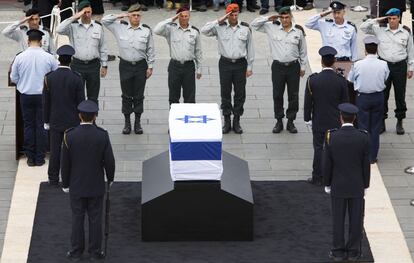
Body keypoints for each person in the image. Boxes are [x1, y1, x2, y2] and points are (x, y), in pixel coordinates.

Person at [61, 100, 115, 261]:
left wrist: (65, 184)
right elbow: (109, 161)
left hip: (77, 185)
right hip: (95, 185)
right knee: (95, 219)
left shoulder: (69, 136)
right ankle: (95, 252)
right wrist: (110, 178)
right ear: (95, 116)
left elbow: (65, 163)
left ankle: (76, 251)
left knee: (77, 218)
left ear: (79, 115)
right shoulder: (102, 135)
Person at [323, 103, 370, 262]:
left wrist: (327, 183)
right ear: (355, 118)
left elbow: (327, 163)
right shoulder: (363, 136)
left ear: (340, 117)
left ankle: (337, 251)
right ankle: (354, 252)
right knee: (356, 220)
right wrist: (366, 185)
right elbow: (366, 164)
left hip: (338, 184)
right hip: (356, 185)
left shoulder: (331, 136)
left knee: (338, 220)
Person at [251, 7, 307, 134]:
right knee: (277, 94)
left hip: (293, 66)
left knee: (293, 95)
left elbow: (303, 50)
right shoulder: (272, 27)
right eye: (282, 17)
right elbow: (254, 25)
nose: (284, 20)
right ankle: (279, 120)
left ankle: (291, 121)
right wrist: (268, 18)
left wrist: (303, 67)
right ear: (279, 17)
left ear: (291, 17)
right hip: (278, 67)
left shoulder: (298, 31)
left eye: (287, 17)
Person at [201, 3, 254, 134]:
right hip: (225, 63)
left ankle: (236, 120)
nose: (234, 17)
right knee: (225, 92)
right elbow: (204, 30)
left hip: (240, 64)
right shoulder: (220, 27)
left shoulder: (245, 28)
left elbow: (250, 48)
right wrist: (219, 20)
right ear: (227, 15)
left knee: (240, 93)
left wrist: (250, 66)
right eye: (232, 15)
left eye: (236, 14)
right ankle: (226, 120)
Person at [102, 4, 155, 135]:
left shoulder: (146, 30)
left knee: (138, 95)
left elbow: (151, 50)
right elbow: (104, 20)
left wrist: (150, 67)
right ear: (129, 16)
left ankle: (137, 122)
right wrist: (122, 15)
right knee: (126, 95)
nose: (136, 18)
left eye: (138, 15)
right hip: (125, 65)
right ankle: (127, 123)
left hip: (140, 65)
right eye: (133, 15)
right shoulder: (120, 27)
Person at [360, 8, 414, 135]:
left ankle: (399, 121)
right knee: (383, 95)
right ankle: (382, 122)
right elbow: (363, 27)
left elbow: (411, 51)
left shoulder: (405, 32)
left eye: (394, 18)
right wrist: (378, 19)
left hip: (400, 66)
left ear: (399, 18)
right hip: (384, 66)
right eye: (389, 18)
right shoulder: (380, 30)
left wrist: (410, 68)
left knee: (400, 95)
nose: (392, 21)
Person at [10, 29, 58, 166]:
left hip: (26, 95)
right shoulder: (49, 57)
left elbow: (13, 78)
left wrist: (23, 84)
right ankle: (40, 157)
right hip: (43, 96)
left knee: (28, 126)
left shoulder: (20, 57)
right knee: (41, 125)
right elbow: (55, 75)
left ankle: (30, 157)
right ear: (42, 42)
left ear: (28, 41)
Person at [303, 46, 348, 186]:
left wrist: (307, 119)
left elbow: (308, 102)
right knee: (334, 150)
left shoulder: (313, 80)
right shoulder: (340, 81)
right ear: (334, 61)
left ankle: (317, 177)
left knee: (318, 148)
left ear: (322, 62)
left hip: (318, 120)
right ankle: (333, 176)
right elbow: (345, 103)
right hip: (335, 121)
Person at [42, 45, 85, 186]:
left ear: (59, 60)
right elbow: (81, 103)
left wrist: (46, 120)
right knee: (72, 151)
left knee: (55, 151)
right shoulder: (77, 78)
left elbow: (46, 102)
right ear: (71, 60)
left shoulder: (49, 78)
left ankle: (53, 178)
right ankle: (71, 177)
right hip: (72, 121)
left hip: (55, 120)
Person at [56, 0, 108, 104]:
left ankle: (92, 119)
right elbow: (59, 29)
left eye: (89, 12)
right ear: (79, 13)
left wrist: (104, 65)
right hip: (77, 64)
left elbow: (103, 47)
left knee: (93, 96)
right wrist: (75, 17)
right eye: (85, 12)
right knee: (77, 95)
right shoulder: (73, 26)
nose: (87, 15)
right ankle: (77, 119)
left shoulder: (98, 26)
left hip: (93, 65)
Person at [347, 36, 389, 164]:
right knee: (375, 127)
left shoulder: (358, 64)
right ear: (376, 49)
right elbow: (385, 78)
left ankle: (363, 154)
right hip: (378, 97)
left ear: (365, 50)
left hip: (363, 97)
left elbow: (350, 79)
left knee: (363, 127)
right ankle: (372, 156)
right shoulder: (384, 64)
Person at [154, 7, 203, 106]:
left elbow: (198, 51)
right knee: (173, 97)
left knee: (190, 97)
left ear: (189, 16)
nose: (184, 18)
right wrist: (172, 19)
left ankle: (188, 120)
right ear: (178, 17)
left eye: (186, 16)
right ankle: (174, 120)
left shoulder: (194, 31)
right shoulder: (171, 29)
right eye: (182, 16)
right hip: (174, 66)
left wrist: (199, 69)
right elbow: (156, 30)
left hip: (189, 66)